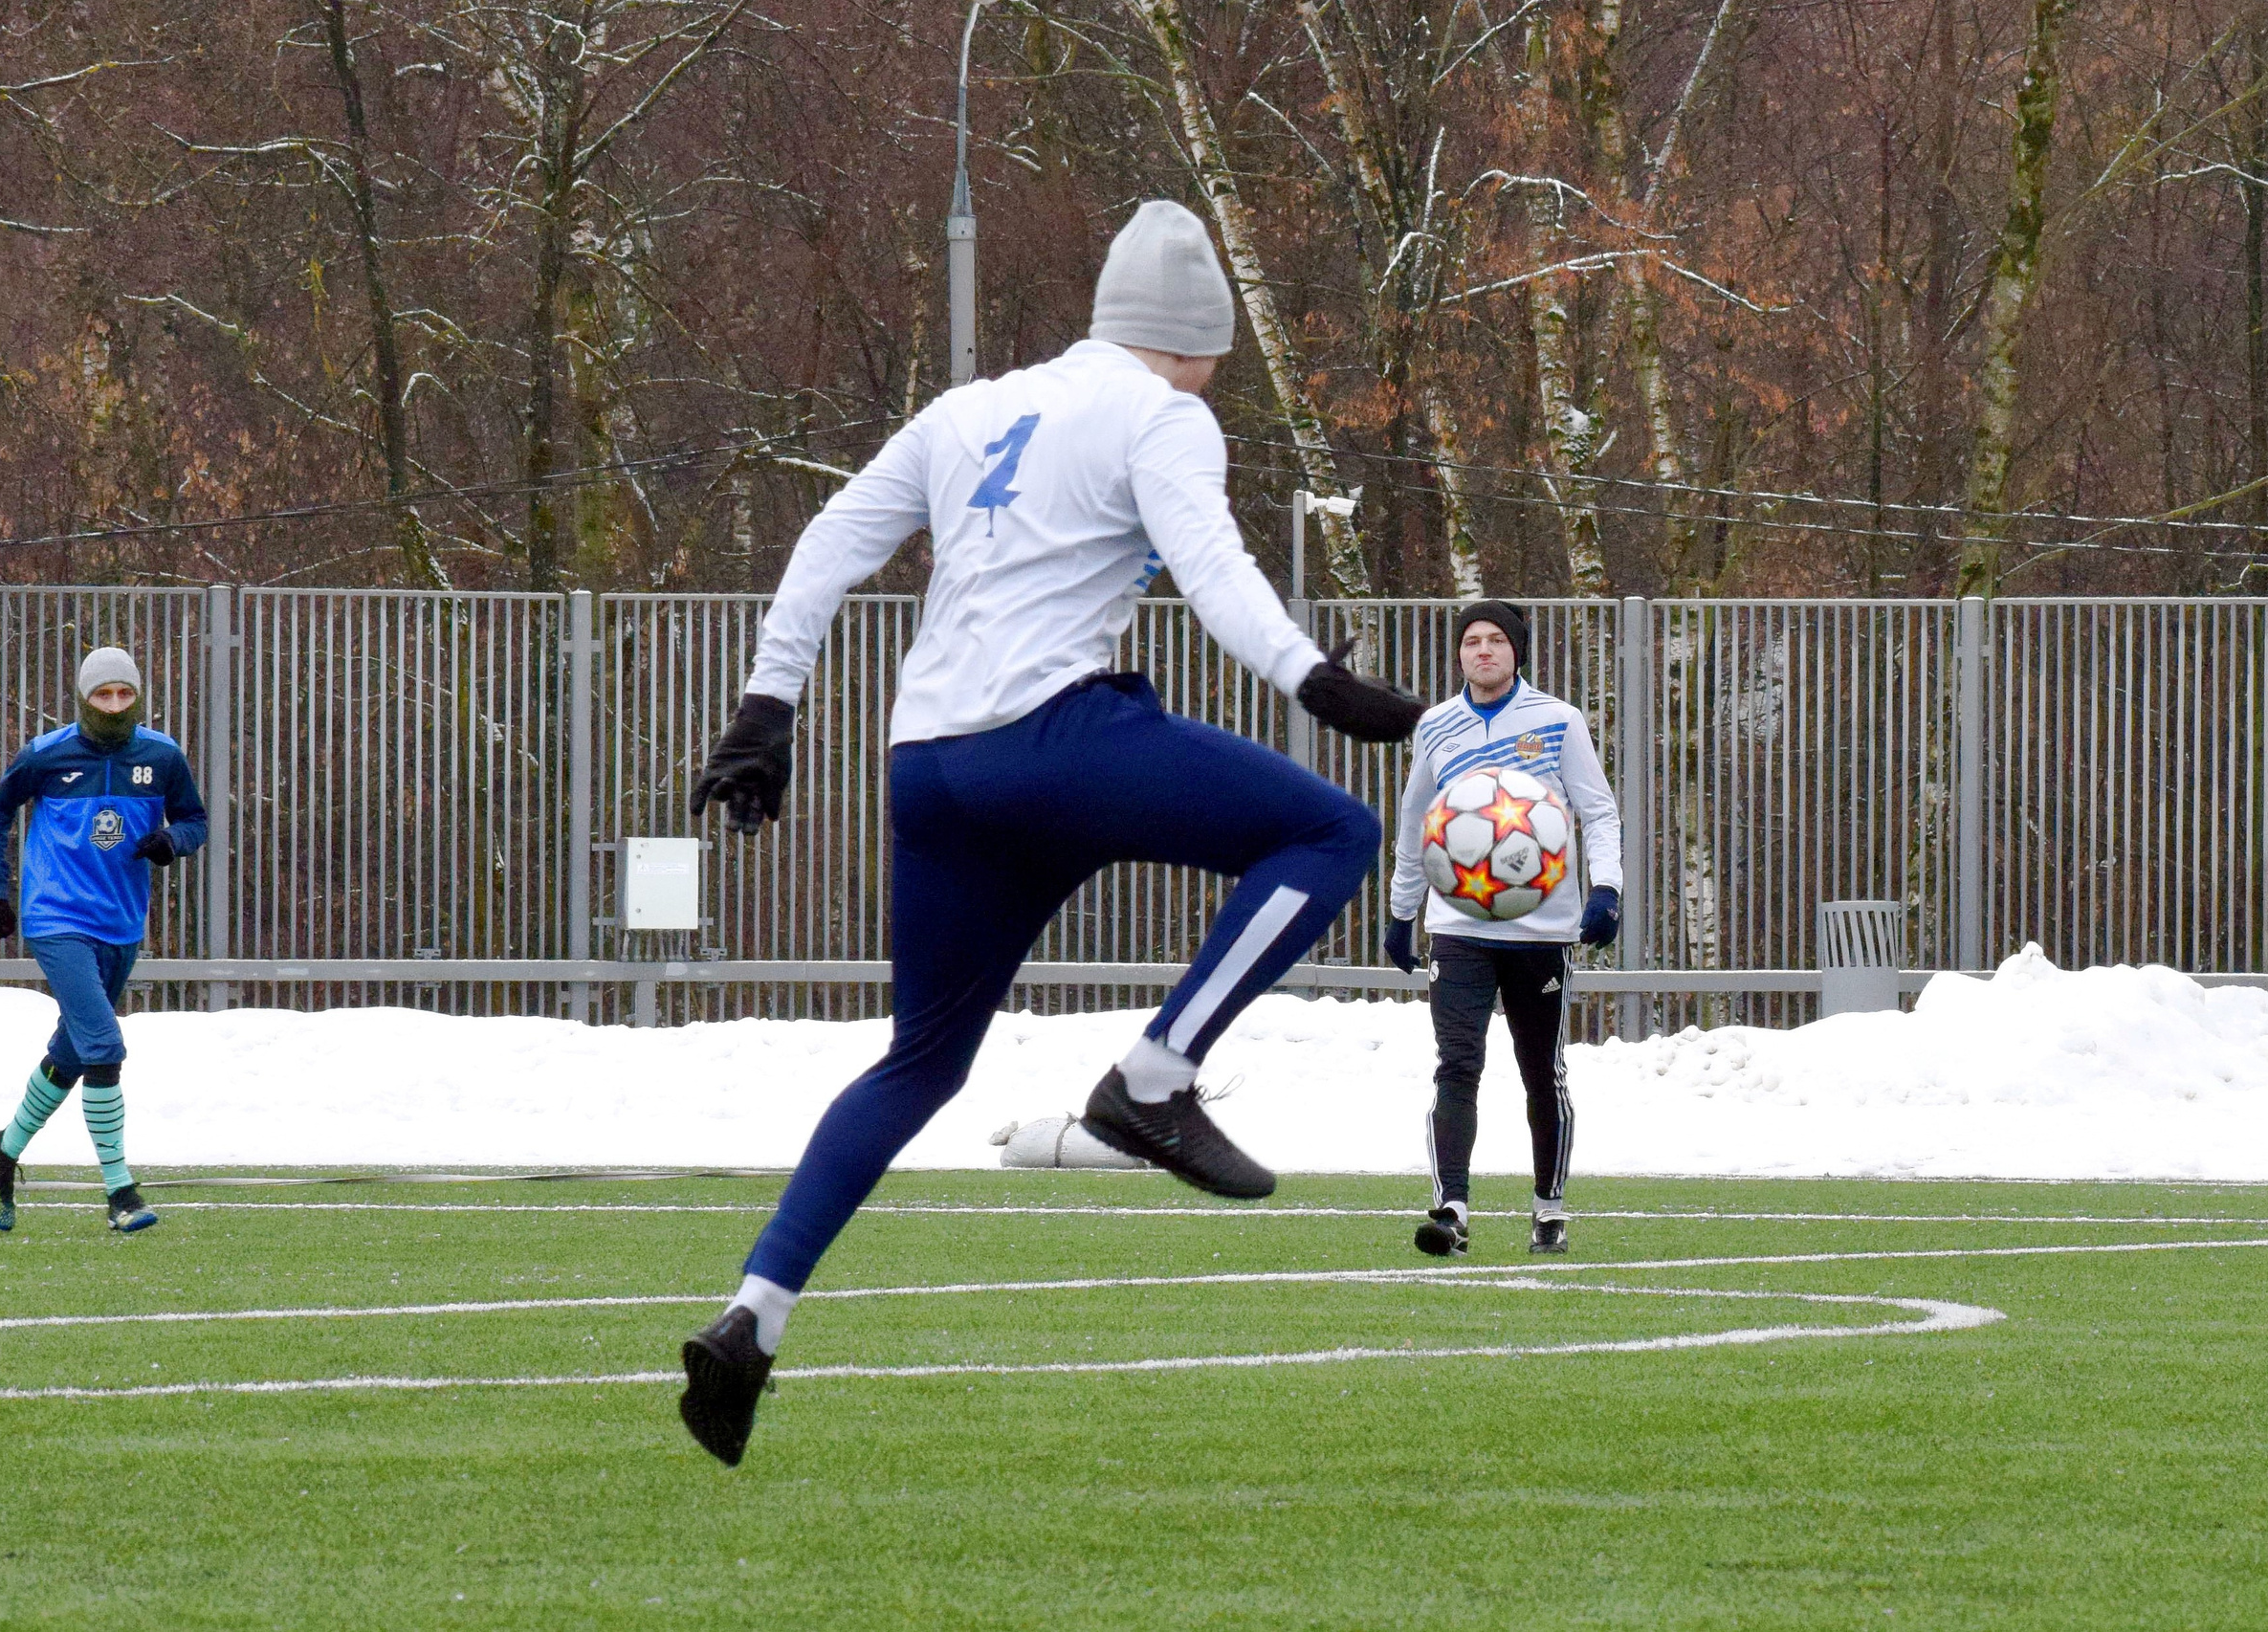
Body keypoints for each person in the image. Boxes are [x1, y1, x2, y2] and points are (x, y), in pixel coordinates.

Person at [675, 201, 1424, 1465]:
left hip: (930, 766)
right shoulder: (1163, 414)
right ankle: (1154, 1079)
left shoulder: (967, 409)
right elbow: (1217, 569)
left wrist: (764, 707)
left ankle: (751, 1320)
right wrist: (1316, 683)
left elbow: (829, 542)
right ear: (1190, 341)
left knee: (918, 1060)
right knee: (1332, 833)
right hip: (1051, 746)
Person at [1381, 602, 1620, 1258]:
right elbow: (1414, 824)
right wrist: (1404, 912)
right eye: (1471, 642)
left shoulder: (1557, 721)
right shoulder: (1436, 726)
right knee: (1457, 1065)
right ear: (1458, 655)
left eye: (1495, 641)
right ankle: (1450, 1209)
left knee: (1542, 1072)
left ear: (1517, 652)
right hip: (1458, 927)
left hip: (1542, 931)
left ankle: (1549, 1209)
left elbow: (1597, 812)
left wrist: (1607, 889)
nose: (1482, 651)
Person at [0, 647, 209, 1235]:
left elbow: (195, 821)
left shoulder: (162, 755)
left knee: (73, 1052)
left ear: (137, 698)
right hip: (56, 917)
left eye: (123, 694)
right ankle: (120, 1192)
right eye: (102, 695)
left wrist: (172, 842)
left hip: (122, 923)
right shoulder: (47, 755)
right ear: (84, 699)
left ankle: (3, 1150)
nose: (114, 705)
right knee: (104, 1044)